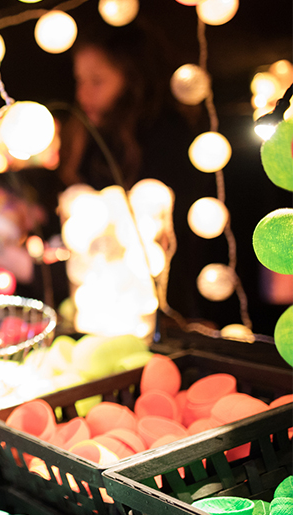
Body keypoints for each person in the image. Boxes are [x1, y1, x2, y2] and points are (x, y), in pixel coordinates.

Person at [55, 21, 212, 321]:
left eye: (97, 81)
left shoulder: (166, 134)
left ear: (134, 78)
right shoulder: (90, 133)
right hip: (100, 297)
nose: (83, 93)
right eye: (80, 80)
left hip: (159, 300)